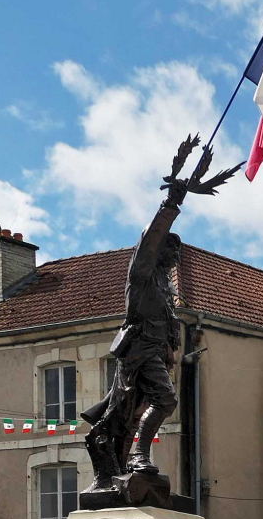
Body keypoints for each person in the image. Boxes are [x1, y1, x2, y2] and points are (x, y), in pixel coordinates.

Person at [81, 179, 188, 491]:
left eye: (179, 251)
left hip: (154, 351)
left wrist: (170, 347)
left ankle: (123, 463)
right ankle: (139, 456)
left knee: (131, 415)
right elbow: (149, 239)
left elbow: (168, 322)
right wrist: (170, 206)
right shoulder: (140, 274)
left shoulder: (164, 287)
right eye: (172, 249)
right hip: (137, 350)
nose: (176, 256)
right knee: (162, 400)